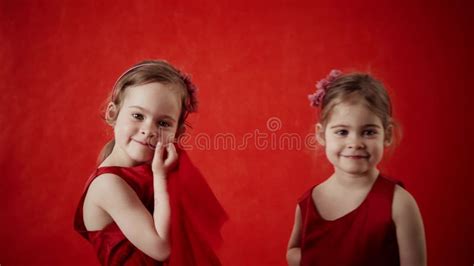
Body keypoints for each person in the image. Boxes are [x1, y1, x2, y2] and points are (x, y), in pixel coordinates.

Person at [74, 60, 227, 265]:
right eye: (138, 115)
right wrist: (160, 177)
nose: (149, 130)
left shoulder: (150, 171)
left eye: (163, 123)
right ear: (113, 113)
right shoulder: (108, 184)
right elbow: (161, 248)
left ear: (178, 133)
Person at [286, 70, 426, 266]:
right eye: (342, 132)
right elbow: (292, 252)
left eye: (368, 132)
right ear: (322, 134)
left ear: (386, 135)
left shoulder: (399, 203)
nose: (355, 143)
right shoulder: (309, 201)